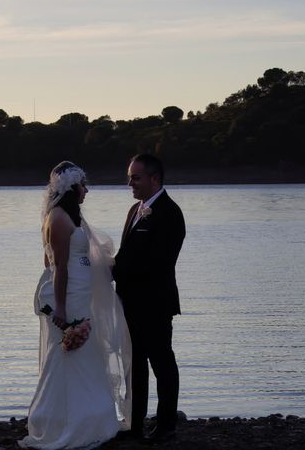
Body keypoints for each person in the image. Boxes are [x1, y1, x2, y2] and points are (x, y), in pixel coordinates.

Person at [19, 161, 132, 450]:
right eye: (82, 185)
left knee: (84, 352)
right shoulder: (57, 218)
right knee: (68, 354)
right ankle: (64, 421)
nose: (86, 190)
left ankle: (89, 417)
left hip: (80, 293)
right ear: (70, 188)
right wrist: (59, 307)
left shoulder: (70, 216)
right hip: (67, 297)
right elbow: (57, 268)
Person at [112, 154, 186, 443]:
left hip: (155, 303)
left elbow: (159, 262)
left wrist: (114, 269)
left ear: (154, 178)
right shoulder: (134, 210)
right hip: (130, 302)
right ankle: (135, 425)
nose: (130, 183)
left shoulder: (170, 213)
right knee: (135, 366)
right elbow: (127, 252)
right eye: (130, 177)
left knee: (162, 363)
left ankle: (167, 425)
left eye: (136, 177)